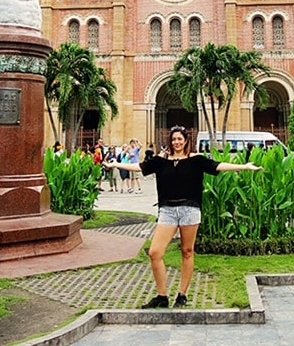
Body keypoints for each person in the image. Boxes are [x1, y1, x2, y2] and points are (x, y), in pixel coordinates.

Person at [104, 124, 262, 309]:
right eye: (173, 139)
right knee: (155, 253)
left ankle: (182, 294)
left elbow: (217, 165)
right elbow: (139, 167)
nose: (176, 142)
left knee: (187, 251)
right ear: (170, 142)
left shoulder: (196, 160)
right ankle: (162, 296)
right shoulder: (161, 161)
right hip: (168, 211)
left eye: (180, 139)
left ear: (186, 140)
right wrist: (115, 163)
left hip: (189, 209)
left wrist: (244, 166)